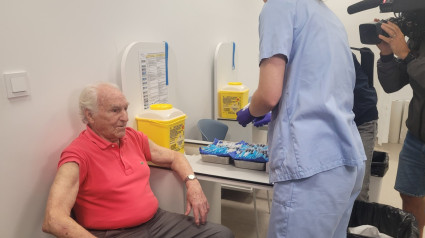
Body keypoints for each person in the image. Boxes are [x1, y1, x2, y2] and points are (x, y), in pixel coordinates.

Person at [236, 0, 366, 237]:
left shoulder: (279, 6)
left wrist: (250, 111)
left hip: (311, 166)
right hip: (347, 160)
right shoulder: (329, 18)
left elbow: (267, 95)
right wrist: (283, 111)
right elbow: (319, 87)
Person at [42, 82, 233, 238]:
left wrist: (193, 184)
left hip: (158, 222)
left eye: (125, 109)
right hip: (114, 233)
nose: (125, 118)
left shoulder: (133, 137)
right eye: (115, 111)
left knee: (221, 234)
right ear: (90, 115)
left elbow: (174, 156)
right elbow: (53, 219)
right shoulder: (77, 155)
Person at [375, 11, 425, 237]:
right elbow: (392, 84)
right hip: (416, 137)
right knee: (410, 196)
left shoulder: (411, 48)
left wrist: (405, 53)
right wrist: (387, 55)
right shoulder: (419, 40)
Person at [352, 50, 379, 202]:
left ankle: (357, 225)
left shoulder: (343, 56)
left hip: (363, 120)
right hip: (337, 122)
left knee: (359, 189)